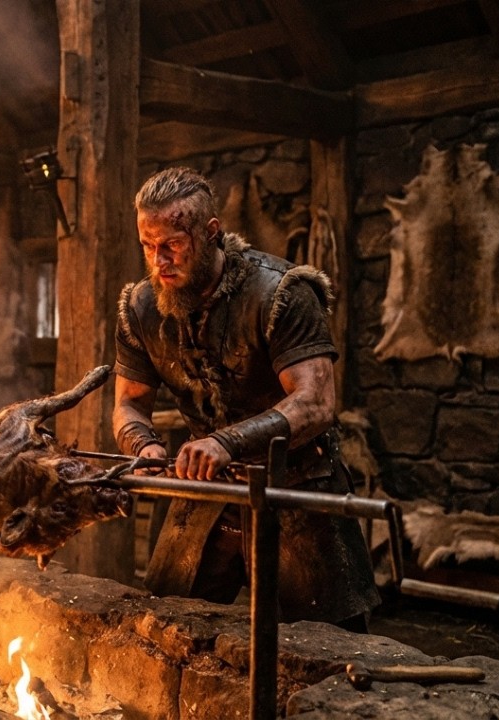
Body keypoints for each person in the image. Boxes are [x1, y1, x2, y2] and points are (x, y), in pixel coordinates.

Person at [112, 166, 378, 631]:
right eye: (147, 246)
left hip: (296, 484)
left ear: (211, 233)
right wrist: (144, 447)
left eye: (173, 244)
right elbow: (129, 404)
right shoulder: (141, 307)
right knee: (164, 631)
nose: (159, 262)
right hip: (207, 484)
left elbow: (315, 403)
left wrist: (225, 442)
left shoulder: (281, 293)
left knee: (326, 650)